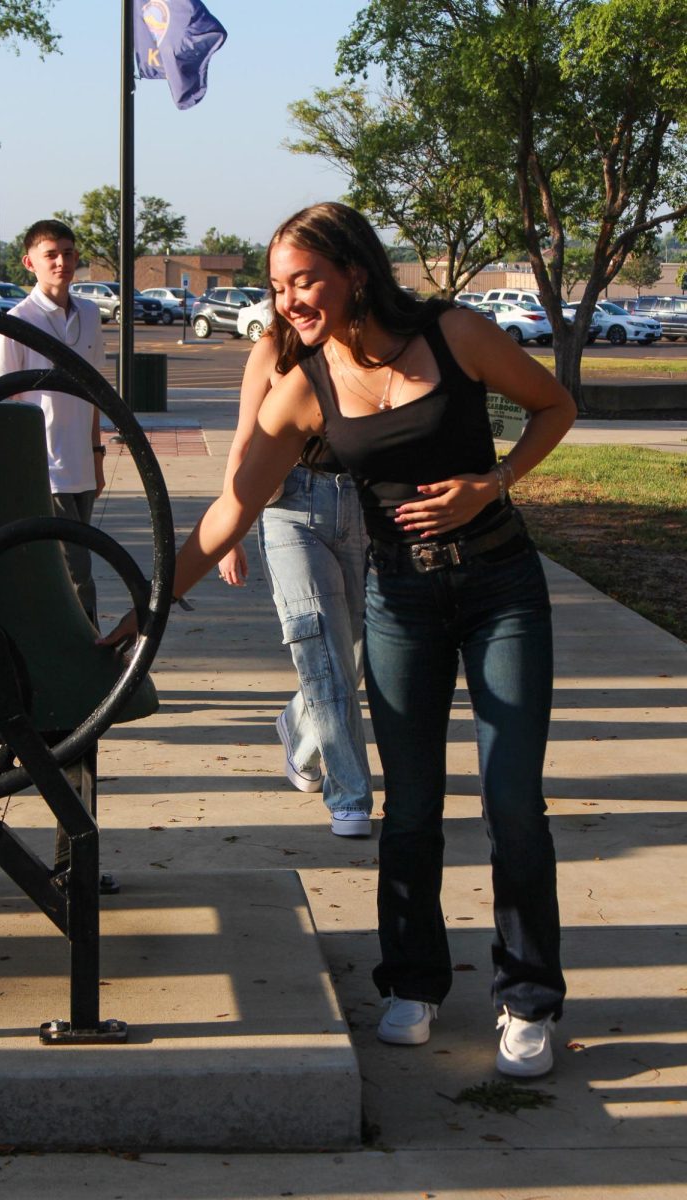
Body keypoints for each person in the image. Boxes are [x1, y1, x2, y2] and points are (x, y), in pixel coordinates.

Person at [103, 201, 576, 1077]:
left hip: (503, 585)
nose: (289, 300)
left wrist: (494, 481)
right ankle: (413, 983)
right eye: (279, 286)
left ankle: (527, 1001)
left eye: (304, 279)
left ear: (355, 270)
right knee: (412, 806)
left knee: (513, 801)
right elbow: (232, 507)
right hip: (401, 598)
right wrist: (146, 611)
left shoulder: (456, 333)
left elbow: (555, 404)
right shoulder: (304, 383)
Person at [217, 332, 373, 835]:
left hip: (363, 502)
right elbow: (245, 438)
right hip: (290, 505)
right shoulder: (272, 351)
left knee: (358, 652)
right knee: (322, 643)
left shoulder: (368, 344)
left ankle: (299, 731)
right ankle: (349, 795)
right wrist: (230, 531)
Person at [0, 218, 106, 623]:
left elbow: (94, 392)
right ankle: (90, 647)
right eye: (51, 255)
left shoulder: (90, 314)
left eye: (68, 253)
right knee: (77, 571)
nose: (62, 262)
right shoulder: (17, 321)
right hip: (46, 467)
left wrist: (97, 452)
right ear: (30, 263)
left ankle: (63, 640)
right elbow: (5, 401)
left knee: (71, 565)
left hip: (81, 466)